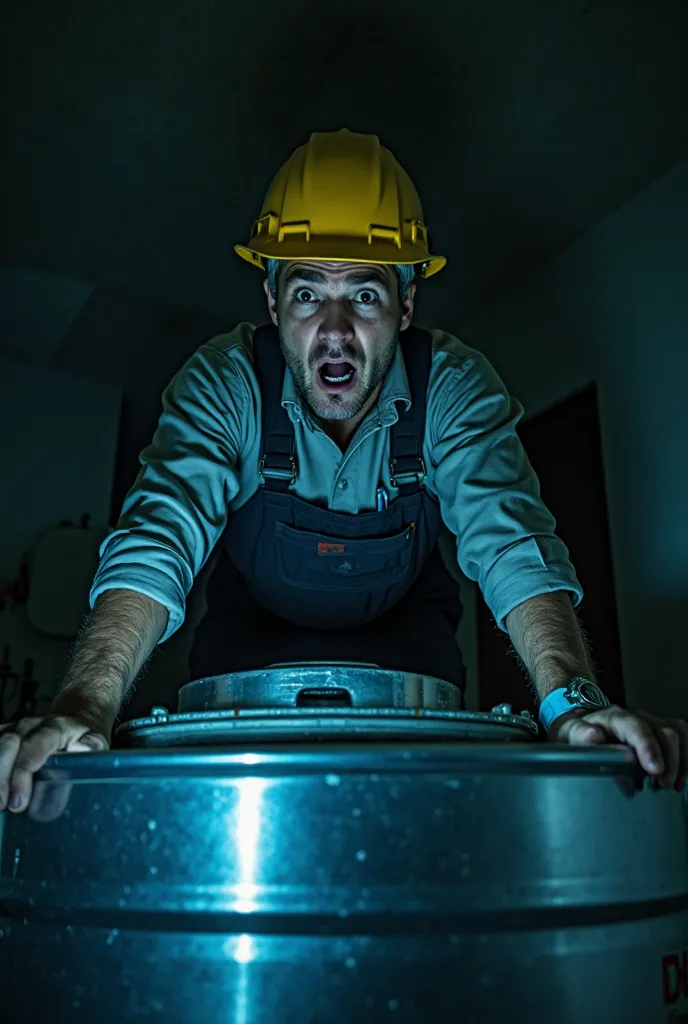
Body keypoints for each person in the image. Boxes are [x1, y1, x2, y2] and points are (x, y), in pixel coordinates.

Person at [1, 128, 685, 814]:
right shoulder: (224, 381)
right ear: (272, 304)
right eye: (306, 295)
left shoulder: (454, 386)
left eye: (363, 295)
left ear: (405, 306)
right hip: (249, 647)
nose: (333, 331)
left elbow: (514, 546)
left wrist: (572, 705)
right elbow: (158, 539)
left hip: (408, 647)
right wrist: (84, 706)